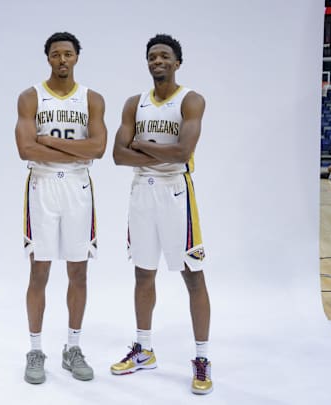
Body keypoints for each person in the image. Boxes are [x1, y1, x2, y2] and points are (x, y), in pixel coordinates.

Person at [110, 34, 212, 395]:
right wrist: (153, 151)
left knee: (193, 276)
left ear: (177, 62)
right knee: (143, 274)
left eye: (165, 56)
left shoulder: (191, 100)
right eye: (152, 56)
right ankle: (144, 349)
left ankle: (202, 358)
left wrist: (138, 143)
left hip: (176, 195)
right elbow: (117, 156)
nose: (158, 61)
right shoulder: (133, 103)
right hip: (142, 194)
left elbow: (183, 153)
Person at [14, 32, 106, 385]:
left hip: (78, 187)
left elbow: (98, 149)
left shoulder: (92, 98)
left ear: (77, 57)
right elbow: (25, 149)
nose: (62, 59)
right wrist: (75, 148)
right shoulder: (30, 97)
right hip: (41, 186)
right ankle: (35, 350)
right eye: (56, 54)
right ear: (48, 58)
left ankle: (73, 348)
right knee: (39, 271)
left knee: (78, 271)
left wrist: (49, 140)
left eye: (68, 53)